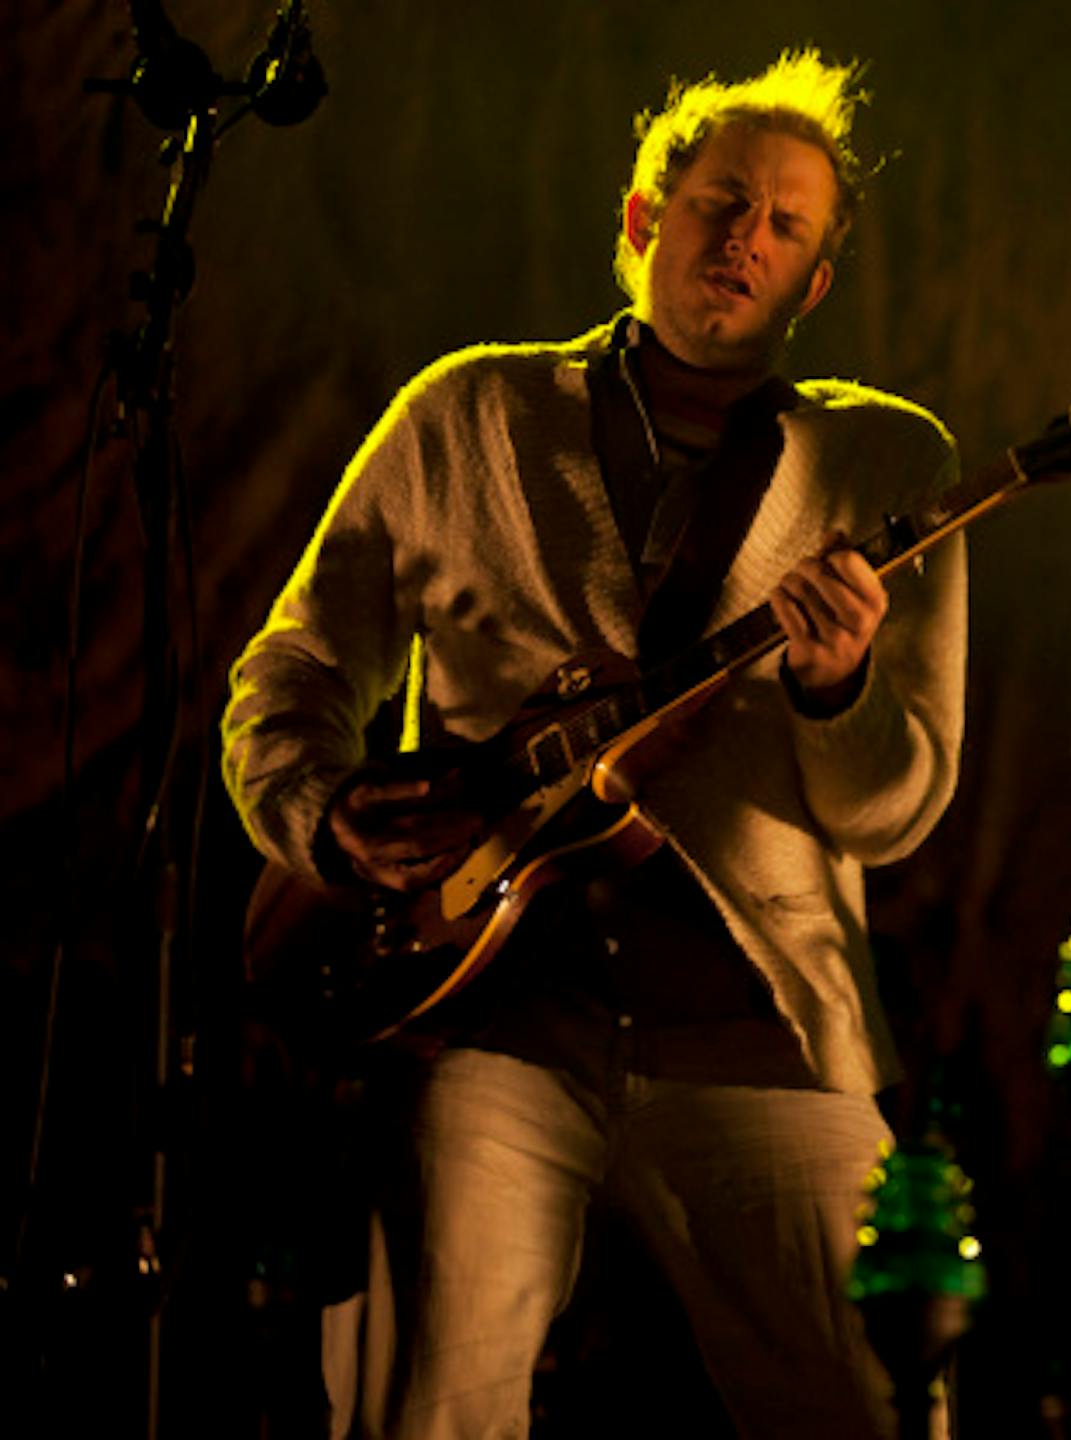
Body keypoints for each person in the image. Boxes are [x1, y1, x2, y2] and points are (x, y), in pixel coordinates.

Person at [221, 50, 964, 1438]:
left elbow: (894, 812)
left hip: (760, 1031)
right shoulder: (465, 414)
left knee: (877, 1403)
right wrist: (318, 811)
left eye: (785, 224)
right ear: (641, 219)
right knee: (428, 1411)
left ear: (814, 283)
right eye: (719, 201)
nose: (744, 238)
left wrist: (837, 690)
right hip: (483, 1019)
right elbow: (297, 664)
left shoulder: (888, 468)